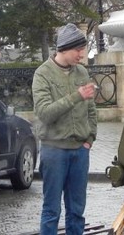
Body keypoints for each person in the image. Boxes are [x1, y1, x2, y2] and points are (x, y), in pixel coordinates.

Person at [32, 24, 98, 235]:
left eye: (83, 49)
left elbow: (91, 110)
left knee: (77, 210)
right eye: (78, 50)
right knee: (51, 209)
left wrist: (90, 139)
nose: (82, 55)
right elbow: (45, 113)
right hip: (54, 150)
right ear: (64, 48)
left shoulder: (82, 72)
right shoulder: (43, 74)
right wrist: (76, 96)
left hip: (80, 150)